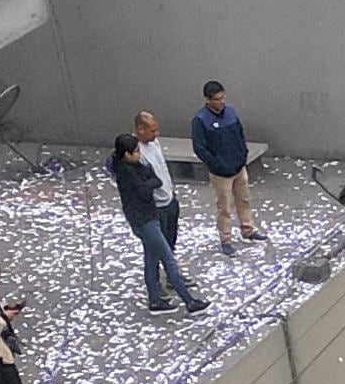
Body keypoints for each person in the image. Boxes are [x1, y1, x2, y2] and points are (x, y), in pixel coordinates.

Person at [111, 130, 207, 312]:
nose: (140, 154)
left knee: (151, 258)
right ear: (127, 154)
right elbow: (146, 189)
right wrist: (149, 183)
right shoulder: (127, 172)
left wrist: (149, 183)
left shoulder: (136, 166)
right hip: (143, 220)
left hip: (148, 216)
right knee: (167, 259)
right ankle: (189, 301)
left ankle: (155, 299)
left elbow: (155, 180)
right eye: (137, 151)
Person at [191, 81, 261, 249]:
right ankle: (226, 239)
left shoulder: (230, 112)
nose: (221, 102)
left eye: (223, 98)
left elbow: (240, 133)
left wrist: (243, 154)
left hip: (238, 166)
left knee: (244, 199)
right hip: (221, 173)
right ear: (208, 100)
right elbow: (200, 148)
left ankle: (248, 229)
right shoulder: (201, 120)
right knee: (224, 207)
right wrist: (217, 165)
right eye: (217, 99)